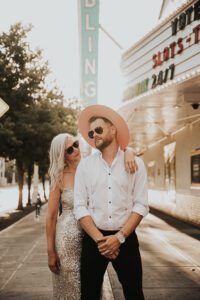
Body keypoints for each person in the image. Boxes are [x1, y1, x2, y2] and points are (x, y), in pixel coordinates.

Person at [46, 133, 136, 300]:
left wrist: (129, 150)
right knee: (70, 285)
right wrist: (51, 251)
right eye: (69, 149)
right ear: (61, 155)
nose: (75, 150)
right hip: (68, 239)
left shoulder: (93, 165)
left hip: (92, 235)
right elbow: (51, 217)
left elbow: (113, 149)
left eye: (76, 144)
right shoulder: (59, 177)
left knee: (91, 286)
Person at [74, 104, 149, 300]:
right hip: (93, 240)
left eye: (98, 129)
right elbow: (80, 206)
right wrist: (101, 241)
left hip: (126, 239)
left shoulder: (136, 164)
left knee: (134, 294)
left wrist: (119, 238)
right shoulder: (85, 166)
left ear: (113, 129)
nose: (94, 135)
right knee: (88, 295)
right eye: (91, 133)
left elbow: (140, 204)